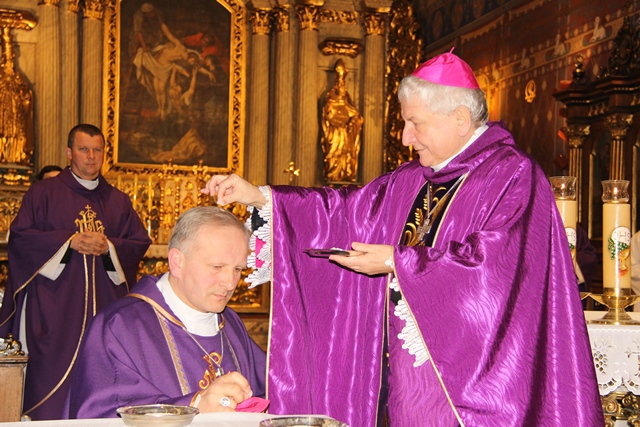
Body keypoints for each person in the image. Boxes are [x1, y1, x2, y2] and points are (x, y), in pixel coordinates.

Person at [202, 50, 603, 426]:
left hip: (479, 391)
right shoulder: (412, 180)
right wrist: (260, 196)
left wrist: (398, 262)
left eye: (416, 123)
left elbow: (494, 268)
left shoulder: (512, 176)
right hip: (410, 393)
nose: (407, 137)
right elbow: (345, 212)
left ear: (460, 119)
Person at [0, 124, 152, 420]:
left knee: (103, 372)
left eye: (97, 150)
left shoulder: (118, 200)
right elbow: (20, 237)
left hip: (104, 309)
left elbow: (137, 243)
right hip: (54, 309)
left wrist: (108, 247)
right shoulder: (43, 193)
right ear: (69, 153)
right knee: (50, 383)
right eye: (84, 150)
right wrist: (68, 242)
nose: (91, 157)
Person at [64, 206, 266, 418]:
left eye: (237, 269)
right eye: (217, 267)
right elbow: (99, 414)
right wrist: (194, 405)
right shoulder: (119, 326)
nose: (230, 283)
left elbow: (272, 391)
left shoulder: (230, 323)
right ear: (177, 263)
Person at [321, 59, 364, 183]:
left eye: (343, 90)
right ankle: (332, 173)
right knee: (334, 151)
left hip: (345, 135)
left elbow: (355, 115)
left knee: (347, 153)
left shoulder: (347, 104)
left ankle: (346, 173)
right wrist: (336, 122)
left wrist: (353, 121)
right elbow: (327, 115)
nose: (341, 91)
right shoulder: (330, 102)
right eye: (339, 90)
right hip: (335, 133)